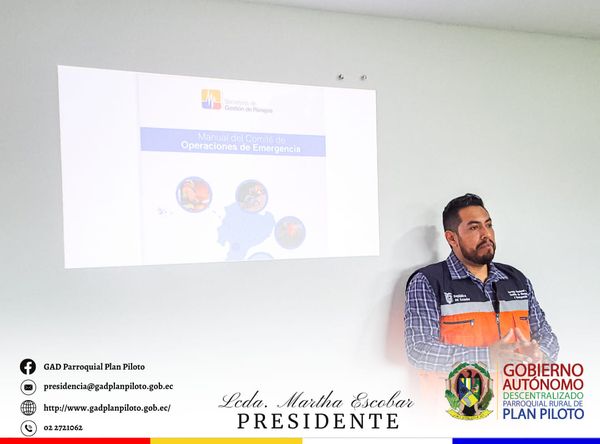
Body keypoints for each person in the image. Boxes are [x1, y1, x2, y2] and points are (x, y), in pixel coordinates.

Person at [404, 193, 559, 372]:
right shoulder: (428, 282)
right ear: (452, 238)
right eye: (474, 228)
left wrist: (541, 355)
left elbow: (547, 337)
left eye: (489, 225)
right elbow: (419, 350)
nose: (486, 234)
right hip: (458, 390)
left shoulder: (517, 280)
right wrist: (487, 357)